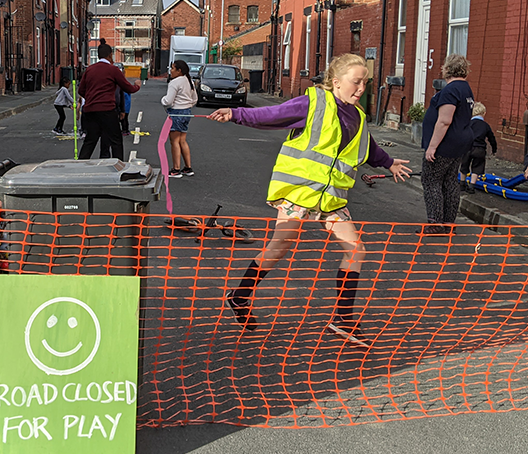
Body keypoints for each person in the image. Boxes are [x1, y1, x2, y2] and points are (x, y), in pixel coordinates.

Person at [208, 53, 411, 345]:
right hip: (299, 192)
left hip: (331, 199)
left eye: (365, 82)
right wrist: (235, 113)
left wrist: (389, 163)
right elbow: (272, 115)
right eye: (356, 82)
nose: (361, 88)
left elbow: (368, 147)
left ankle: (343, 320)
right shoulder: (312, 102)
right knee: (278, 249)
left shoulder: (358, 116)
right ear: (336, 81)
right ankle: (239, 297)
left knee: (356, 250)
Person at [421, 54, 475, 235]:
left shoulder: (451, 90)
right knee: (450, 181)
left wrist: (432, 146)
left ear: (448, 69)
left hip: (446, 143)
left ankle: (436, 222)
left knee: (431, 180)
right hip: (460, 142)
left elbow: (444, 121)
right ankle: (448, 223)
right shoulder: (466, 89)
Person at [79, 40, 141, 160]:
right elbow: (127, 87)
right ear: (110, 55)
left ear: (98, 55)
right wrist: (137, 85)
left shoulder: (89, 70)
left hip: (90, 110)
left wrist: (92, 99)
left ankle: (80, 166)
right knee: (115, 139)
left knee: (90, 140)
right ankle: (119, 166)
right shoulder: (113, 70)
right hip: (107, 110)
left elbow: (81, 90)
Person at [161, 59, 197, 178]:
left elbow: (168, 100)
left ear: (179, 70)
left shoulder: (175, 82)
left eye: (172, 68)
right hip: (187, 112)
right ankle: (188, 167)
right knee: (182, 140)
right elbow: (194, 99)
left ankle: (176, 169)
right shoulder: (189, 81)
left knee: (174, 141)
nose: (170, 71)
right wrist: (187, 106)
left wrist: (163, 101)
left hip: (176, 113)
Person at [460, 102, 497, 191]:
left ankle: (462, 184)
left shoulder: (468, 123)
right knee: (477, 167)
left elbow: (462, 134)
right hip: (479, 149)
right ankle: (472, 186)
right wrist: (494, 148)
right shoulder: (485, 125)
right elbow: (491, 138)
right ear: (484, 113)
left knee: (464, 166)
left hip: (467, 148)